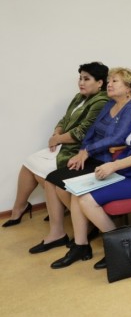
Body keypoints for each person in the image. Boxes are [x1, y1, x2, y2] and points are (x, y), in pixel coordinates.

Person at [50, 72, 131, 269]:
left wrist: (114, 165)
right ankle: (81, 246)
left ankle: (119, 246)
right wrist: (111, 165)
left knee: (86, 200)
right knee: (77, 193)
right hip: (130, 171)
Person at [30, 68, 131, 253]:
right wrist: (82, 151)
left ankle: (88, 227)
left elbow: (117, 138)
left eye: (114, 81)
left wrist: (88, 151)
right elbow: (91, 131)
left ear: (128, 88)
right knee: (51, 180)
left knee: (65, 187)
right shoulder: (109, 104)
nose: (109, 84)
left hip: (108, 161)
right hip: (92, 155)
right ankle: (57, 233)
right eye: (109, 81)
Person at [3, 62, 109, 228]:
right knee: (29, 163)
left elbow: (83, 131)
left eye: (86, 79)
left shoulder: (101, 101)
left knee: (44, 173)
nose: (81, 82)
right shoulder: (79, 97)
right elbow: (64, 119)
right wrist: (56, 133)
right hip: (63, 144)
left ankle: (74, 214)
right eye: (80, 78)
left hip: (77, 150)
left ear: (100, 82)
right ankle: (20, 207)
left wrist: (58, 139)